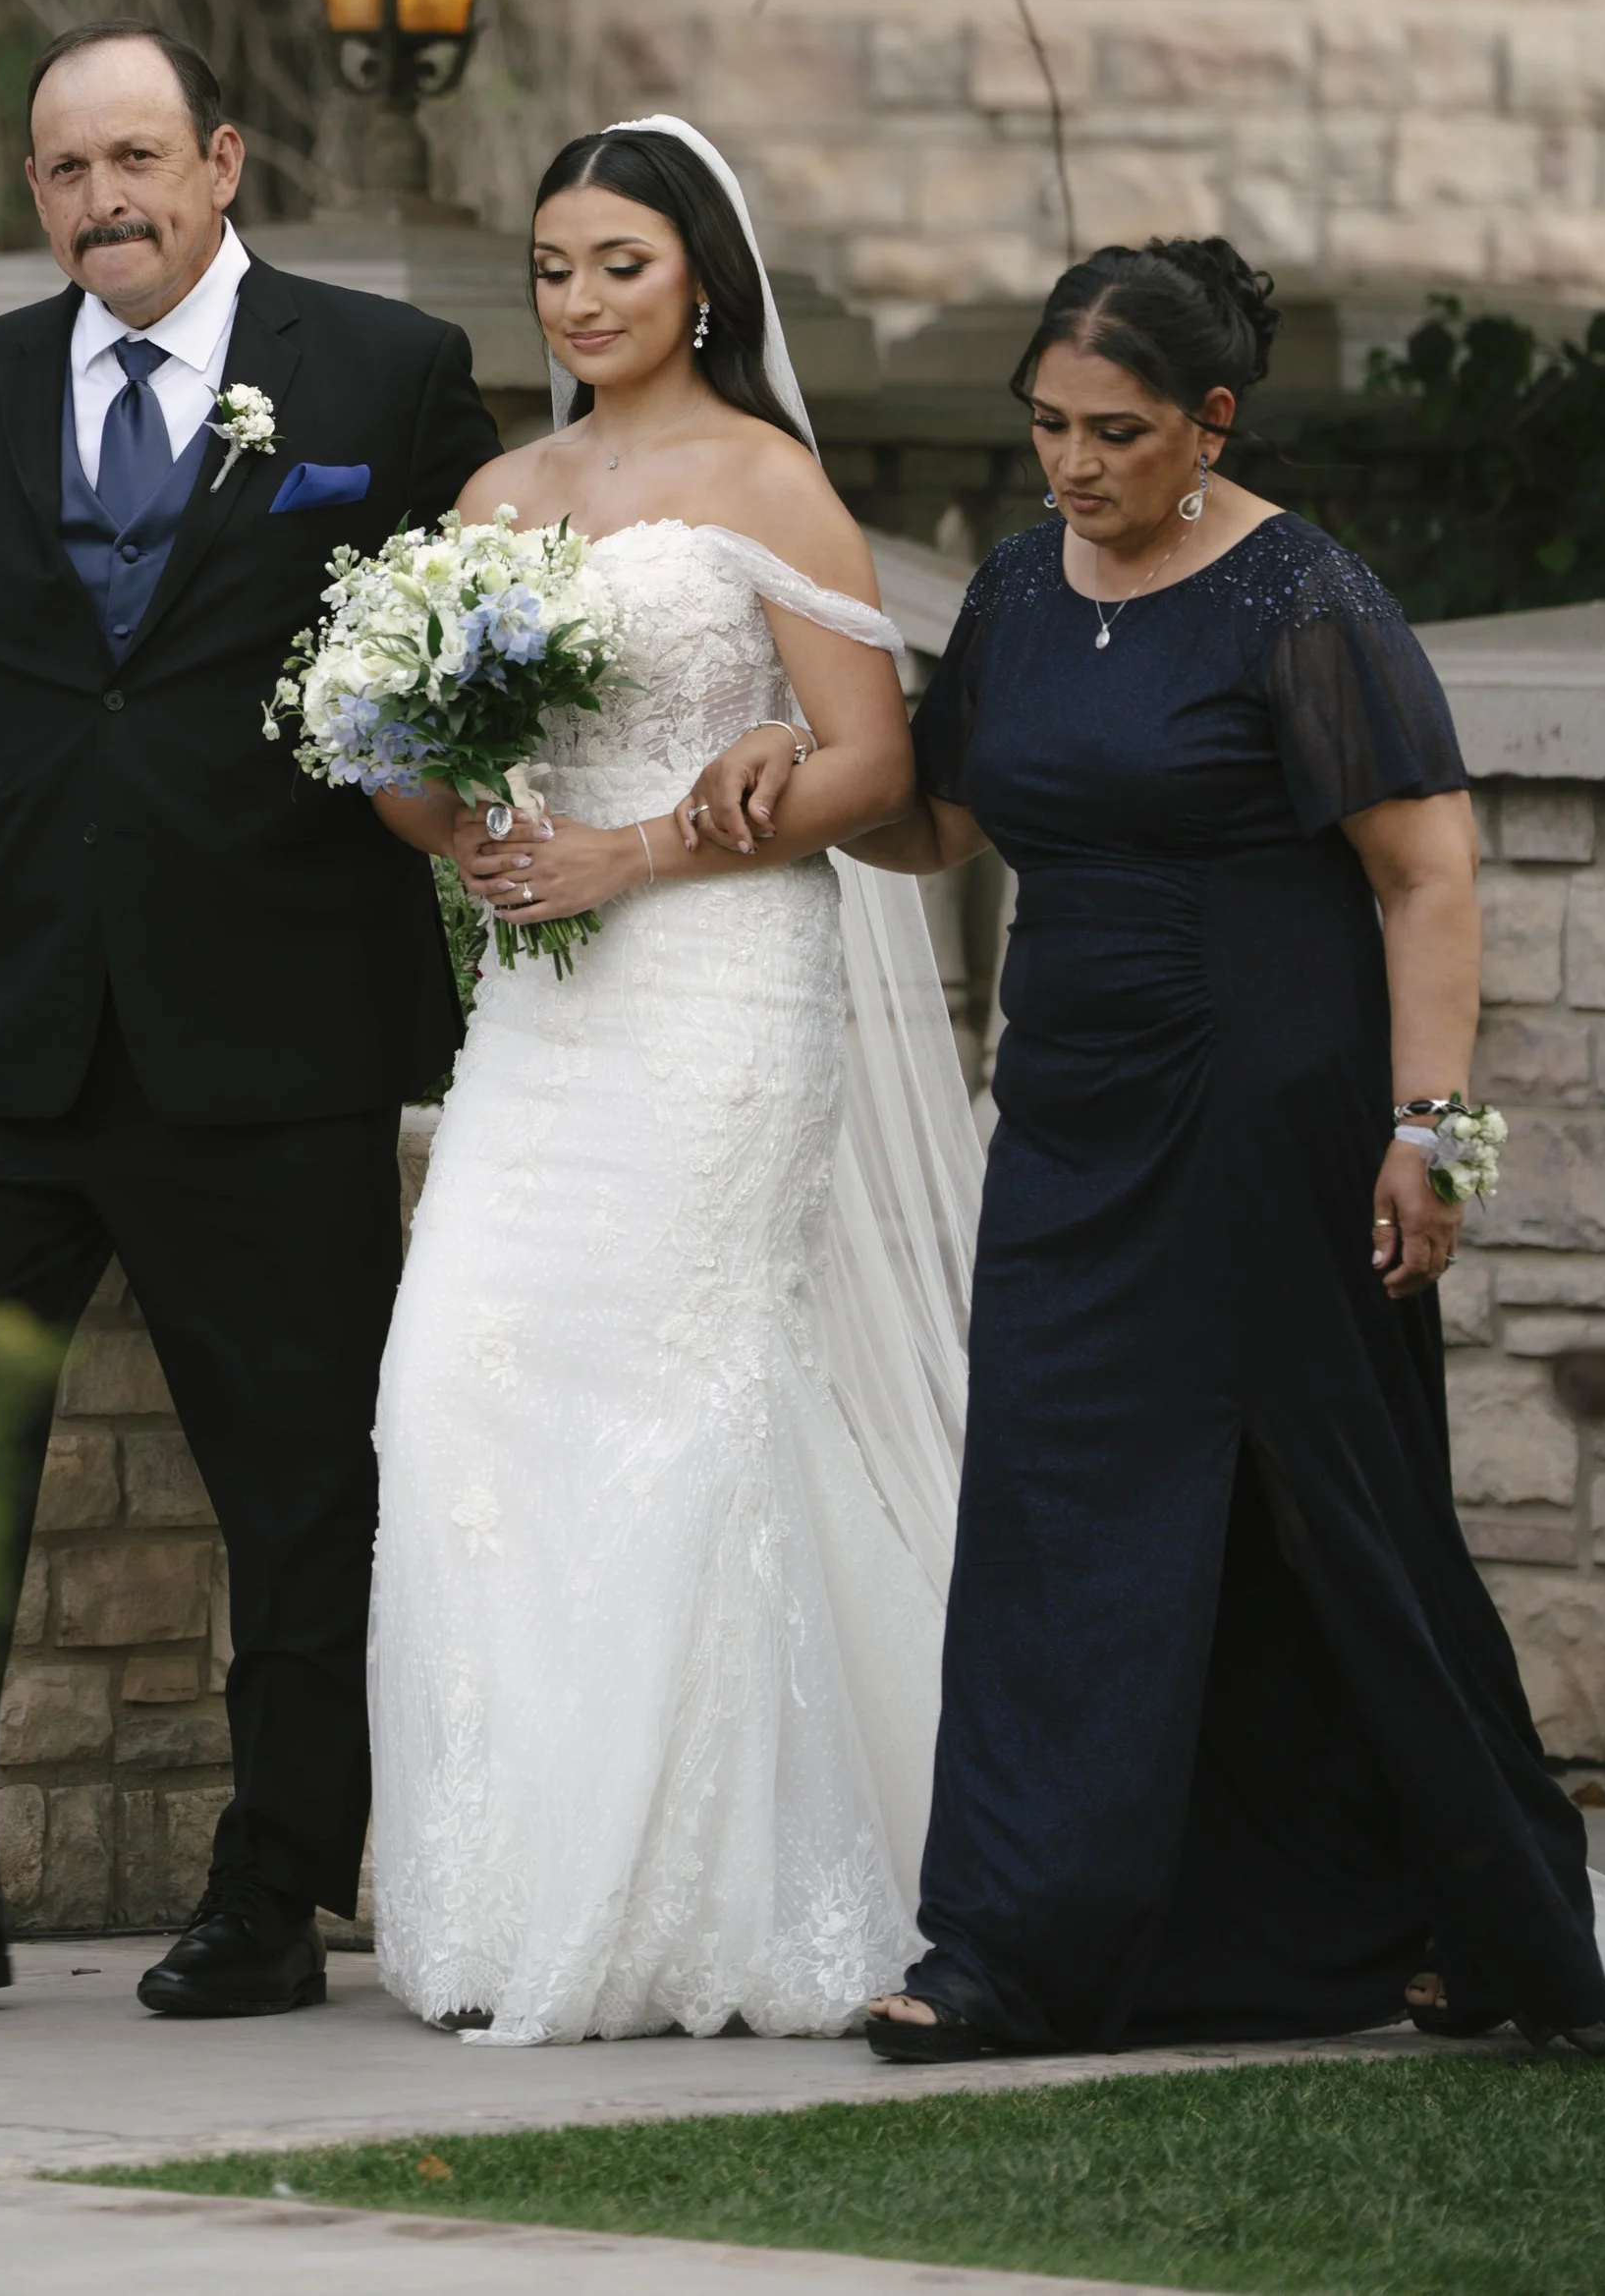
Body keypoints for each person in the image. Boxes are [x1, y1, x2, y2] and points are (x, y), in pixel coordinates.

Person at [695, 235, 1605, 2060]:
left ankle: (1481, 1913)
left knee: (1334, 1522)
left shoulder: (1304, 598)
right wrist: (779, 776)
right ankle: (1003, 1947)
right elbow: (948, 816)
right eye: (1045, 425)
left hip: (1270, 1115)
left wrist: (1434, 1131)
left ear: (1209, 419)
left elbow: (1427, 877)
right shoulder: (1030, 592)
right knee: (1052, 1518)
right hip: (1071, 1116)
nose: (1071, 464)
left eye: (1113, 430)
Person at [0, 22, 502, 2013]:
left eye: (132, 156)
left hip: (271, 1035)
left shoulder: (381, 378)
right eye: (61, 170)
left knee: (299, 1491)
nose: (99, 198)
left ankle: (271, 1893)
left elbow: (487, 641)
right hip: (0, 1035)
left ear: (220, 158)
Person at [362, 116, 986, 2046]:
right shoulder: (494, 490)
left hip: (715, 992)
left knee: (681, 1406)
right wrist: (432, 789)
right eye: (553, 268)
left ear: (697, 274)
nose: (580, 300)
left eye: (617, 264)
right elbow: (424, 792)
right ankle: (516, 1885)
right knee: (452, 1390)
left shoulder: (764, 482)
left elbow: (876, 769)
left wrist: (636, 849)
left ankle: (717, 1895)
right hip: (542, 1016)